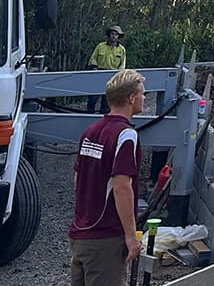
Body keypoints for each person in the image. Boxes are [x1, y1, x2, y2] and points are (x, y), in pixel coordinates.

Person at [70, 68, 146, 286]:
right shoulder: (126, 135)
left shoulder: (91, 131)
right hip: (105, 238)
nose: (143, 98)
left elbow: (78, 180)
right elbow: (122, 187)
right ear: (131, 98)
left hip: (81, 233)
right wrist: (131, 236)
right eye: (142, 94)